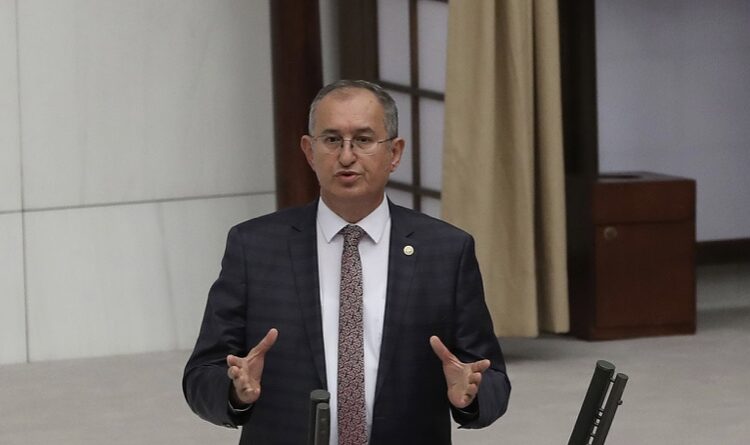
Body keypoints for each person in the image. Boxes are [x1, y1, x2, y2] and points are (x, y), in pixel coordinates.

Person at [183, 80, 510, 444]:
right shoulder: (255, 247)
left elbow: (492, 380)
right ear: (309, 151)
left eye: (364, 140)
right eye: (332, 139)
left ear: (395, 153)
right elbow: (202, 375)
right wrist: (233, 392)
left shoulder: (446, 251)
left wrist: (472, 396)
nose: (346, 156)